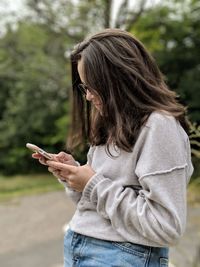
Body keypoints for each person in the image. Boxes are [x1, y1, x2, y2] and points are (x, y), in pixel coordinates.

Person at [33, 29, 194, 267]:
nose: (87, 96)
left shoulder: (159, 127)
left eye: (91, 86)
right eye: (83, 87)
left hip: (119, 256)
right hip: (81, 248)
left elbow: (165, 227)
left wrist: (92, 184)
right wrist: (74, 176)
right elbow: (96, 205)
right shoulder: (111, 125)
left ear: (119, 80)